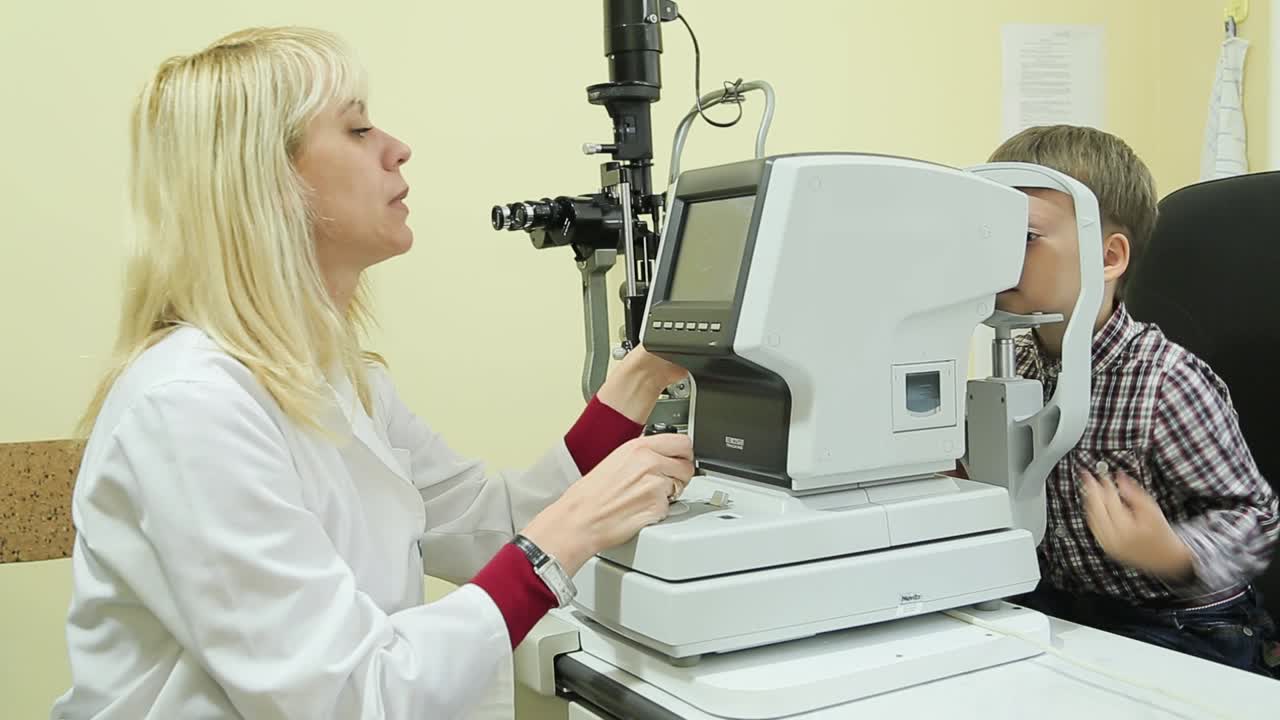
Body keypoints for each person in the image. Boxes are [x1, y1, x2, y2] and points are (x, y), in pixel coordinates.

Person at [51, 26, 695, 719]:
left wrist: (637, 381)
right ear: (267, 181)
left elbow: (490, 524)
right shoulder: (190, 407)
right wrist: (561, 544)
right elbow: (348, 697)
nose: (397, 148)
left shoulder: (337, 379)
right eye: (357, 129)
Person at [989, 124, 1278, 676]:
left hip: (1185, 623)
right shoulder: (1019, 364)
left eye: (1024, 236)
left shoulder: (1166, 381)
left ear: (1109, 257)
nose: (999, 254)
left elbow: (1256, 518)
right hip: (1074, 608)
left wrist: (1174, 551)